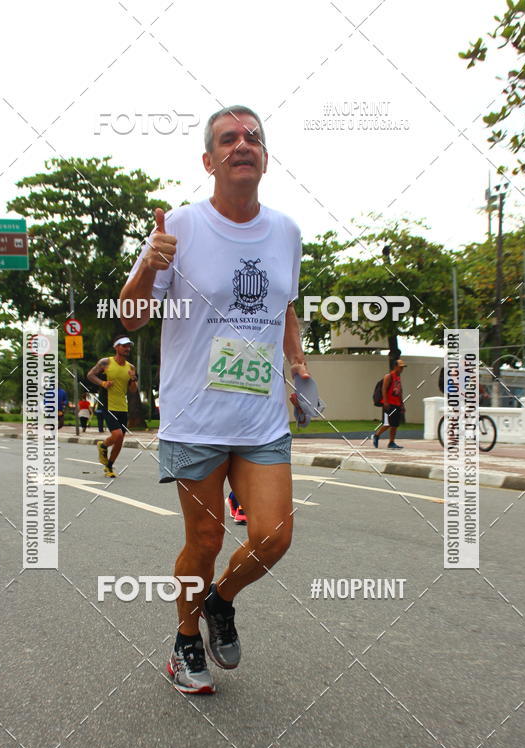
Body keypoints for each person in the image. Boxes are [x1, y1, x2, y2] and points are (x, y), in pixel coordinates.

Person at [119, 104, 309, 694]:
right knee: (204, 540)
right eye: (228, 139)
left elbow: (284, 306)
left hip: (259, 418)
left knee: (274, 536)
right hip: (195, 416)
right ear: (209, 160)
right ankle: (183, 643)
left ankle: (221, 601)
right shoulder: (179, 228)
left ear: (266, 158)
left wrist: (297, 360)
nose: (242, 145)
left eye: (252, 137)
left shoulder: (286, 231)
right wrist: (148, 268)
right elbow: (133, 314)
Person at [87, 337, 139, 477]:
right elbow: (90, 375)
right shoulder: (105, 362)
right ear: (116, 347)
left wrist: (133, 379)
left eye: (129, 346)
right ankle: (103, 445)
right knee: (117, 434)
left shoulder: (131, 367)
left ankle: (109, 466)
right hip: (108, 404)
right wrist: (103, 383)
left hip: (123, 406)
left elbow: (133, 390)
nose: (127, 348)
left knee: (120, 439)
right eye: (124, 346)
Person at [373, 358, 406, 450]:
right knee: (387, 423)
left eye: (403, 368)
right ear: (395, 366)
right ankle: (376, 435)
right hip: (389, 404)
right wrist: (386, 401)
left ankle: (391, 442)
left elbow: (400, 391)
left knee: (395, 424)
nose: (402, 369)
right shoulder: (388, 376)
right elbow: (384, 389)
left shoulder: (398, 378)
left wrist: (402, 404)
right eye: (400, 367)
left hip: (397, 403)